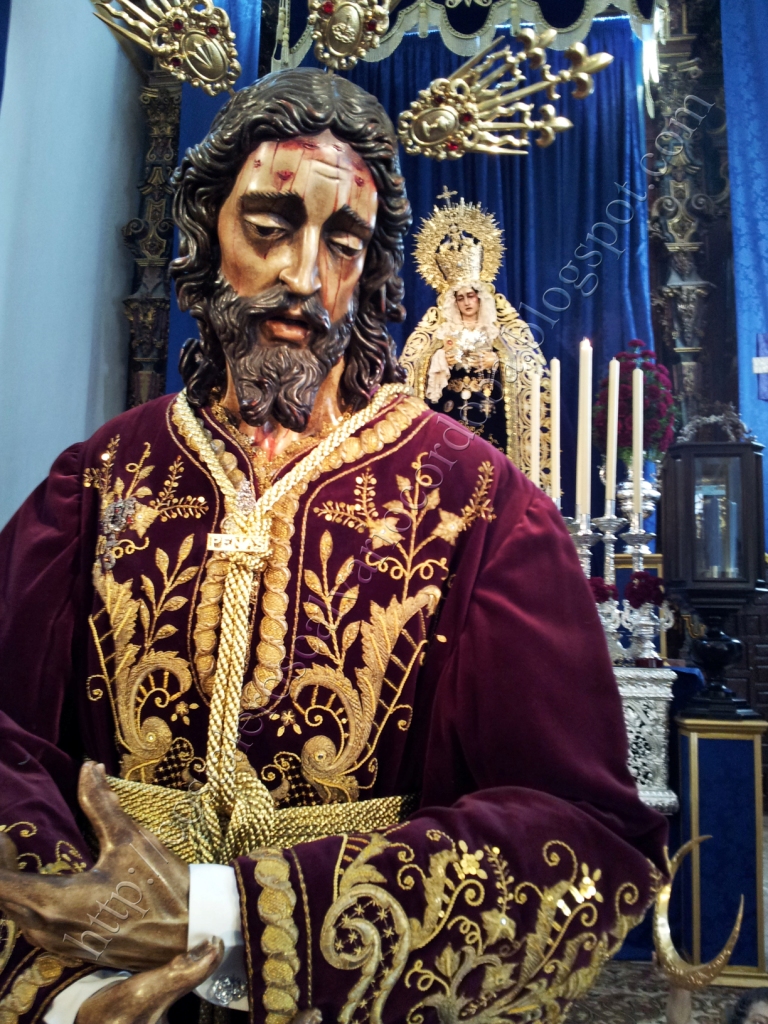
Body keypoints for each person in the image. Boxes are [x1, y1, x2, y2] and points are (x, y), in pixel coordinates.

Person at [0, 68, 666, 1024]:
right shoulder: (103, 477)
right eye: (269, 226)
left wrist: (222, 915)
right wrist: (75, 984)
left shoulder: (479, 503)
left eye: (343, 243)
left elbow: (581, 832)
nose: (305, 277)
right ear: (207, 231)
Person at [401, 193, 549, 479]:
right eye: (460, 297)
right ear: (453, 301)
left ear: (481, 297)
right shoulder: (438, 331)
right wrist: (438, 359)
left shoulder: (502, 330)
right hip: (450, 418)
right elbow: (412, 369)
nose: (467, 302)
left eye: (471, 296)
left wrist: (499, 361)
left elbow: (530, 368)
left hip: (491, 418)